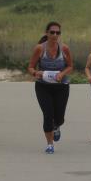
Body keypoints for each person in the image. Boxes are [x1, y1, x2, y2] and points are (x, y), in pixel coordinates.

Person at [27, 22, 74, 154]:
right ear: (47, 33)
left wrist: (62, 74)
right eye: (52, 32)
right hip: (43, 87)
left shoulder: (64, 48)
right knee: (48, 115)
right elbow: (30, 67)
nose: (55, 35)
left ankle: (57, 126)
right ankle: (50, 144)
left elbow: (70, 66)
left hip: (61, 86)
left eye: (57, 32)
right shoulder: (39, 49)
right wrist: (36, 73)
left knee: (59, 117)